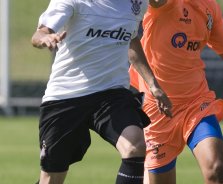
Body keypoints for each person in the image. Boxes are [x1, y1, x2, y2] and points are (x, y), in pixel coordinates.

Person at [129, 0, 223, 183]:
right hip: (158, 108)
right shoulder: (165, 4)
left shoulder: (209, 6)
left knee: (216, 168)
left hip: (196, 103)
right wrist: (153, 86)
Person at [31, 0, 172, 184]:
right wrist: (45, 38)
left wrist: (153, 85)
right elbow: (39, 33)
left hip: (111, 93)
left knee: (135, 146)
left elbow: (131, 38)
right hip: (66, 95)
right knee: (51, 178)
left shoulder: (136, 3)